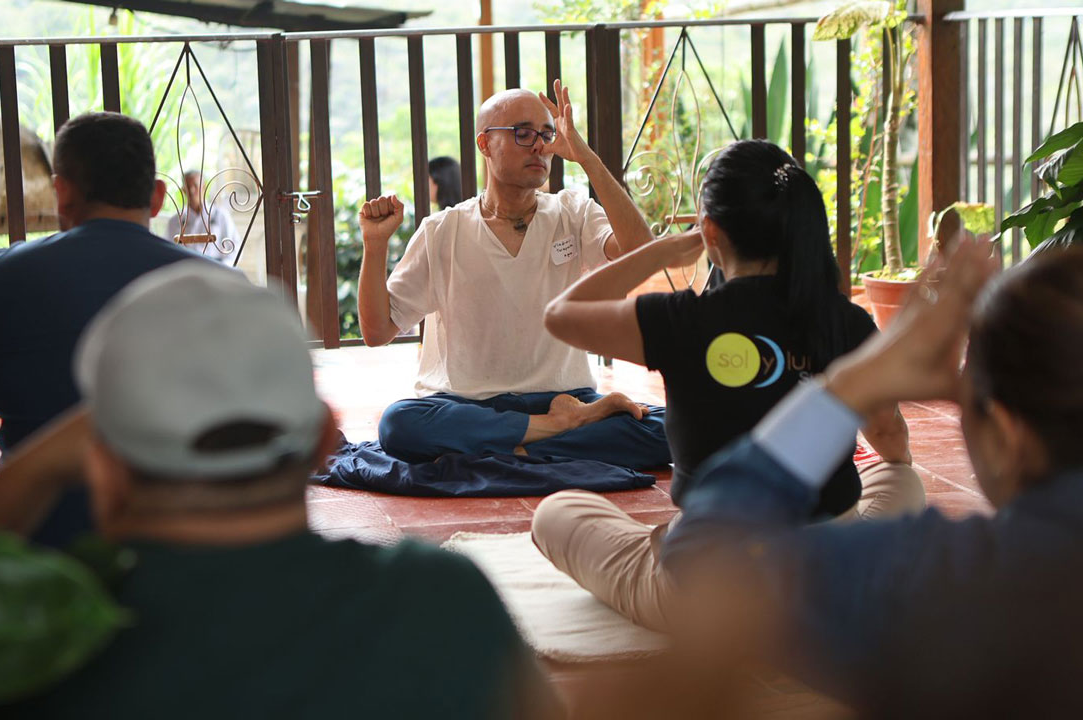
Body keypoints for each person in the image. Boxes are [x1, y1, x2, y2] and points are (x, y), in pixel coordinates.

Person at [0, 261, 562, 720]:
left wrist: (33, 468)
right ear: (326, 440)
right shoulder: (439, 598)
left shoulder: (25, 642)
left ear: (102, 469)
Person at [659, 242, 1083, 717]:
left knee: (563, 513)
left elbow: (704, 557)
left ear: (1007, 434)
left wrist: (853, 382)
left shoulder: (943, 579)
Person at [531, 140, 924, 631]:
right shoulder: (846, 322)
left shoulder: (684, 320)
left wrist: (661, 251)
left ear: (710, 231)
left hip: (709, 597)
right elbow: (889, 438)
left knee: (556, 512)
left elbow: (560, 316)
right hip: (825, 584)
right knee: (903, 478)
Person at [0, 111, 222, 546]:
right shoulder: (222, 289)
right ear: (158, 197)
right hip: (186, 543)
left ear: (61, 193)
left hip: (40, 542)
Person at [357, 80, 670, 470]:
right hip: (466, 403)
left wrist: (587, 157)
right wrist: (375, 247)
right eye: (523, 133)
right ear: (485, 144)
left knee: (671, 428)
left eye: (547, 134)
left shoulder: (573, 212)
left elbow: (640, 253)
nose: (540, 145)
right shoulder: (442, 230)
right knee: (400, 424)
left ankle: (519, 441)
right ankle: (554, 432)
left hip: (564, 395)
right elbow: (377, 331)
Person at [166, 169, 244, 265]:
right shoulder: (175, 221)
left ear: (204, 187)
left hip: (216, 268)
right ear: (183, 190)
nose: (191, 190)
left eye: (195, 185)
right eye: (188, 186)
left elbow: (234, 248)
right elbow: (169, 250)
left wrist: (223, 268)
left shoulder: (220, 215)